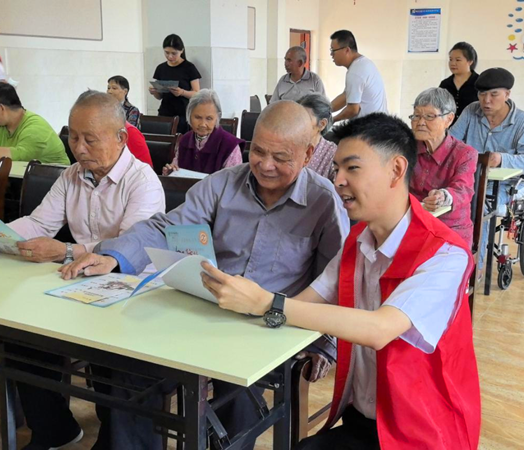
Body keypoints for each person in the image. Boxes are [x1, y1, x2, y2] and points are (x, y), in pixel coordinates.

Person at [60, 101, 349, 449]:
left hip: (268, 327)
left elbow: (335, 280)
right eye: (258, 151)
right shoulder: (222, 185)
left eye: (281, 157)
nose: (265, 165)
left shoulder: (323, 202)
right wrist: (114, 256)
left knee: (239, 396)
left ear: (308, 154)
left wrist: (324, 344)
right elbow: (166, 227)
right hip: (202, 311)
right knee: (134, 368)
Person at [201, 113, 481, 450]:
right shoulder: (358, 241)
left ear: (396, 170)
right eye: (336, 169)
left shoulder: (445, 254)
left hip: (423, 432)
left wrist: (267, 302)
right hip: (364, 420)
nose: (338, 181)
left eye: (353, 168)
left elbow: (379, 329)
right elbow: (306, 303)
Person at [0, 90, 166, 450]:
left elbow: (129, 247)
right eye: (73, 137)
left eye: (90, 139)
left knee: (116, 359)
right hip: (81, 284)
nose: (79, 148)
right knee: (24, 333)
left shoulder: (142, 181)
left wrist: (67, 250)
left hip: (131, 290)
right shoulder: (72, 175)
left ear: (120, 137)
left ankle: (115, 435)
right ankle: (54, 428)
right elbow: (40, 222)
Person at [450, 67, 524, 269]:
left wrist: (501, 159)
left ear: (507, 94)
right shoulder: (471, 111)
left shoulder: (523, 121)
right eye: (482, 94)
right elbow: (451, 141)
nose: (486, 101)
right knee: (447, 200)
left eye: (494, 94)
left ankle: (475, 267)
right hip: (471, 180)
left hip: (506, 186)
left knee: (479, 206)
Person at [409, 87, 477, 247]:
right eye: (416, 116)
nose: (420, 122)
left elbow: (463, 189)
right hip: (413, 224)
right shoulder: (406, 148)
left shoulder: (465, 154)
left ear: (449, 119)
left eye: (429, 116)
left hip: (450, 229)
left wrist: (443, 196)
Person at [0, 82, 70, 164]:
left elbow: (19, 155)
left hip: (52, 180)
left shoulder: (36, 127)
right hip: (13, 180)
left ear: (1, 108)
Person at [162, 89, 244, 176]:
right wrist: (170, 172)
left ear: (217, 118)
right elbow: (176, 170)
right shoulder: (184, 140)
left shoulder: (230, 146)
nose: (203, 124)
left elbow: (233, 181)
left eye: (209, 118)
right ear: (189, 116)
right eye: (198, 117)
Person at [329, 30, 387, 123]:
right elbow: (346, 96)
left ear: (347, 50)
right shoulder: (364, 63)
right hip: (380, 123)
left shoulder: (355, 72)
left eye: (333, 50)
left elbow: (353, 110)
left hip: (370, 128)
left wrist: (332, 120)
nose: (331, 54)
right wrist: (324, 110)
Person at [149, 34, 201, 134]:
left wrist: (182, 92)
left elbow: (197, 93)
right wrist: (154, 92)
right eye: (166, 52)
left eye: (174, 53)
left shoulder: (189, 67)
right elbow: (159, 97)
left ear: (182, 51)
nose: (170, 56)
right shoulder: (161, 68)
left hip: (183, 114)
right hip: (165, 113)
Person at [297, 93, 337, 180]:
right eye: (298, 118)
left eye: (306, 119)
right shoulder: (289, 145)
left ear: (322, 124)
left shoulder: (332, 153)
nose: (299, 124)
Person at [439, 42, 479, 124]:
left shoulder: (479, 83)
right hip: (449, 128)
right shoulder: (445, 84)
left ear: (470, 61)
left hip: (473, 127)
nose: (453, 63)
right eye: (451, 59)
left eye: (458, 60)